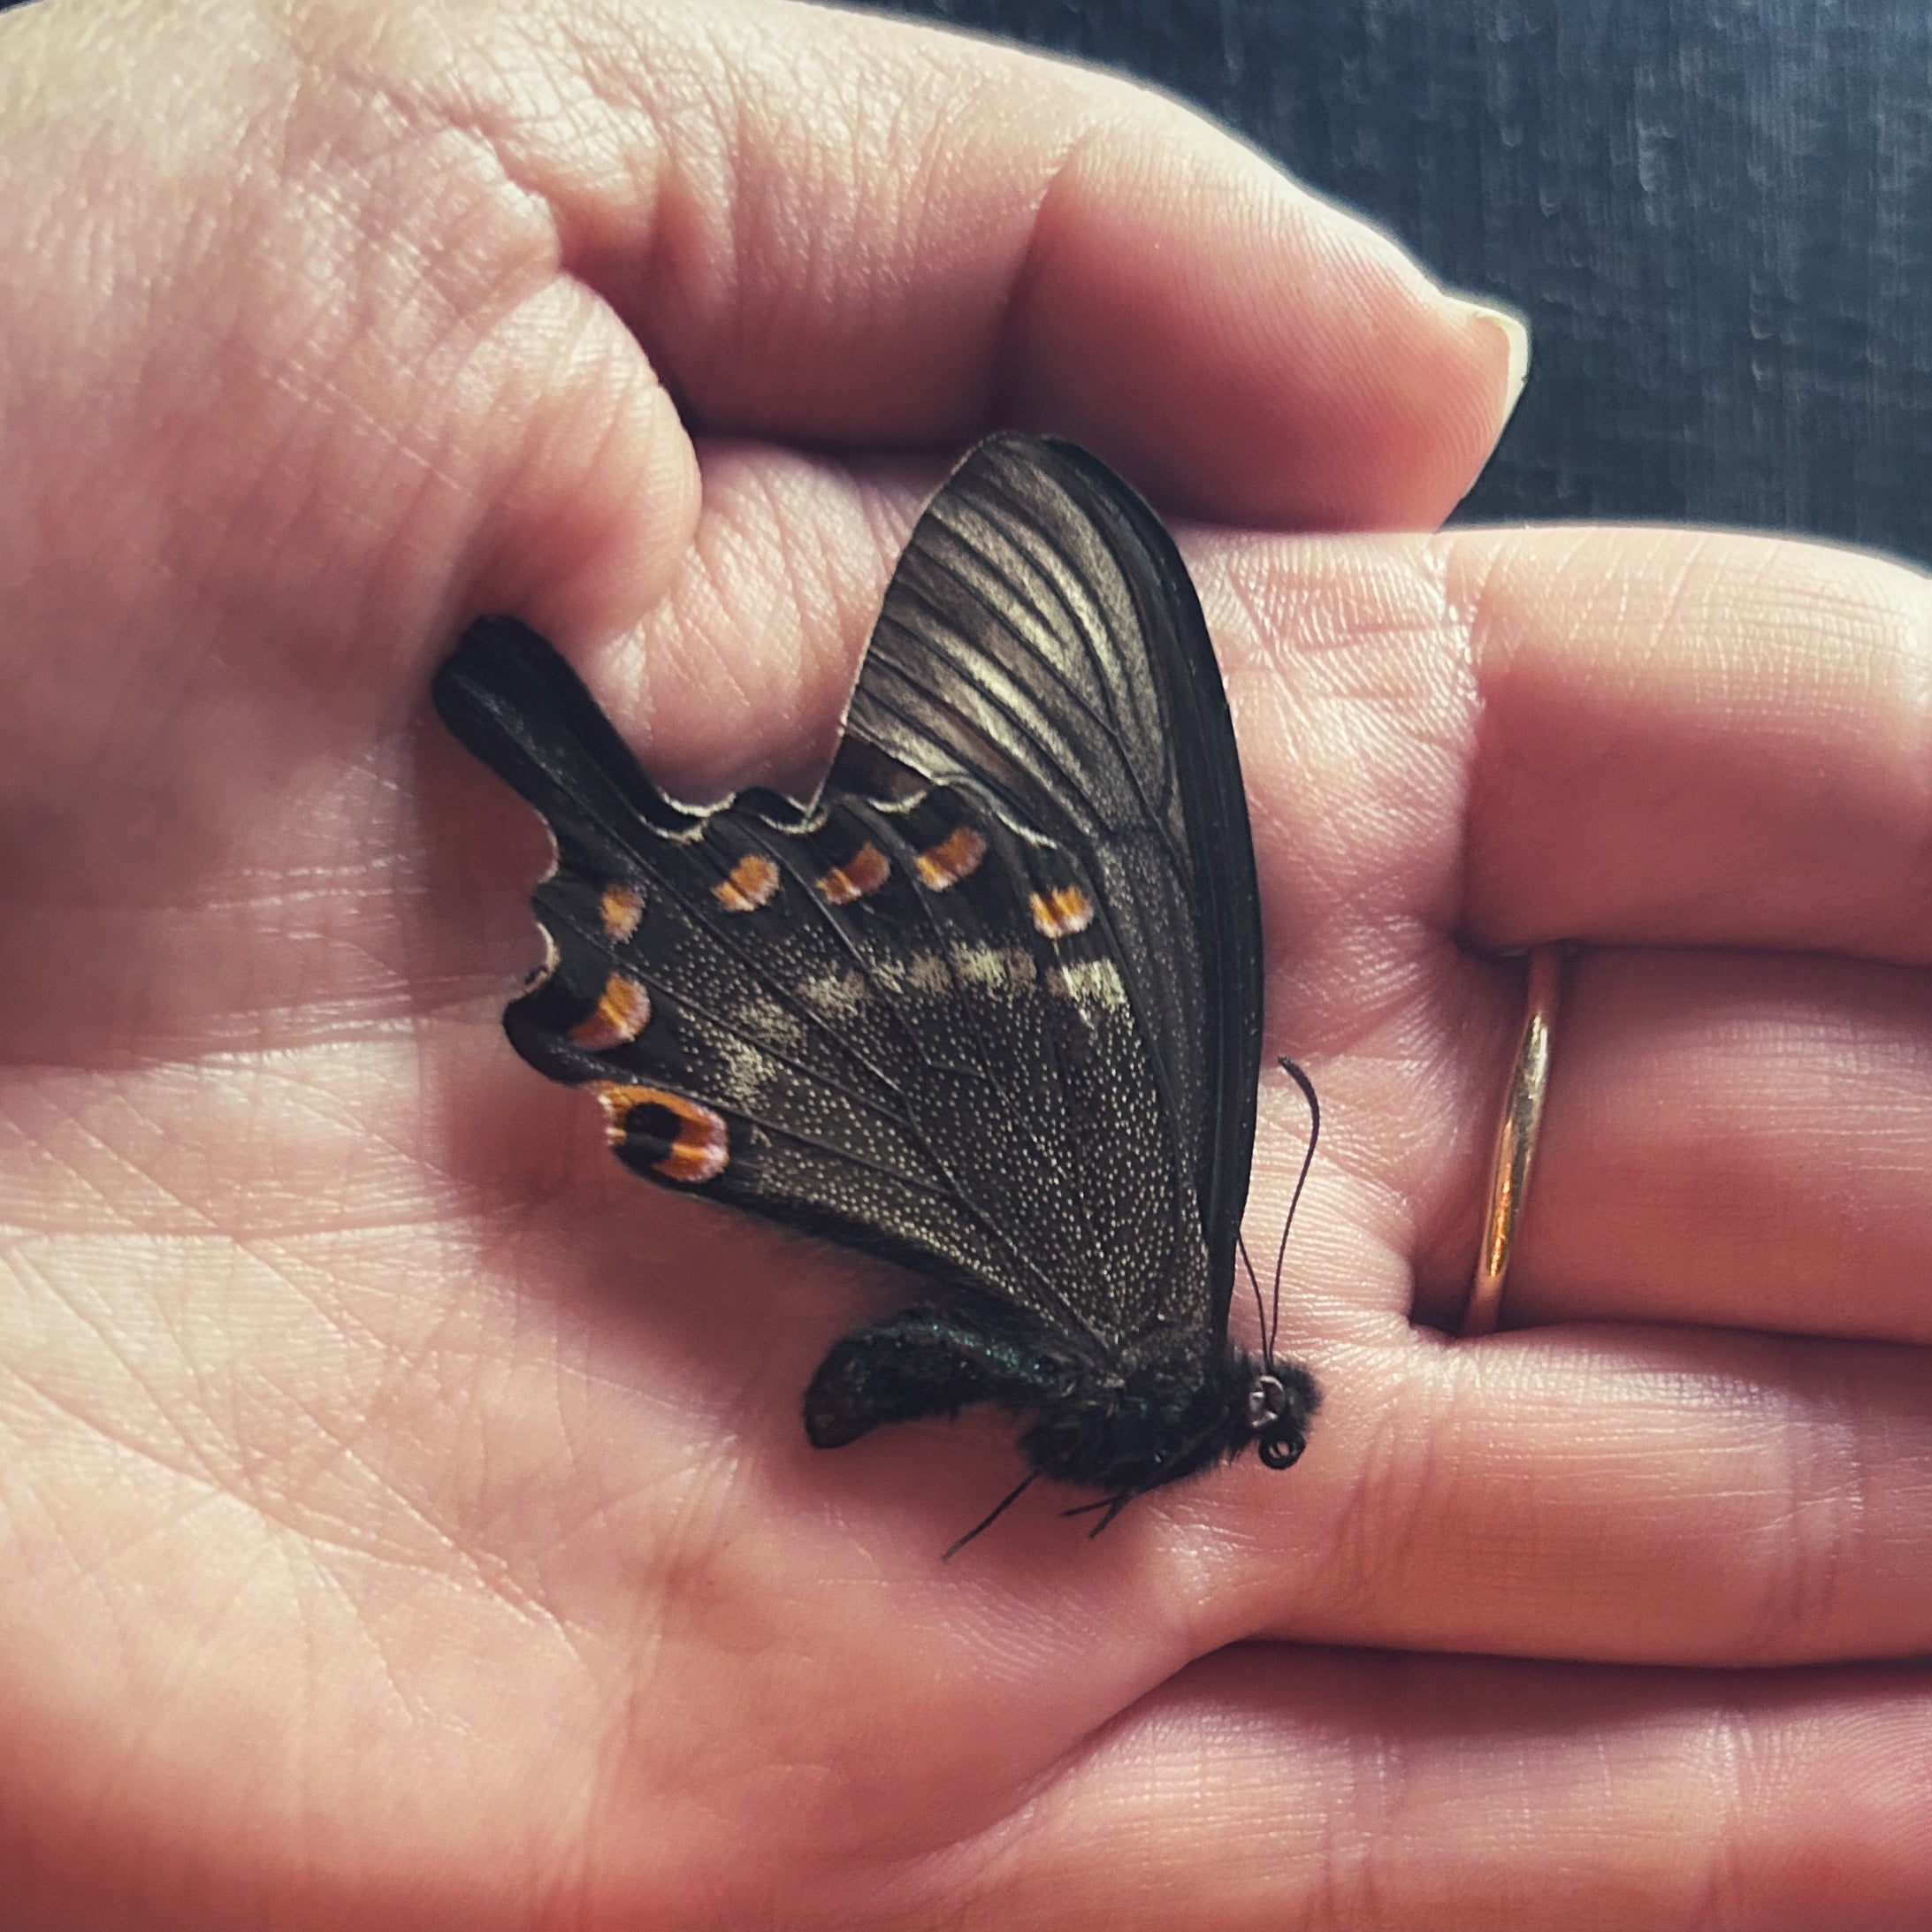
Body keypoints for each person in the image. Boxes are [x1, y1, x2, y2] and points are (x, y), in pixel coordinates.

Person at [0, 0, 1924, 1925]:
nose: (1247, 1421)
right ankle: (616, 854)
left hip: (858, 1091)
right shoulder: (1163, 1267)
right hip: (829, 1022)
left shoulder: (1163, 1323)